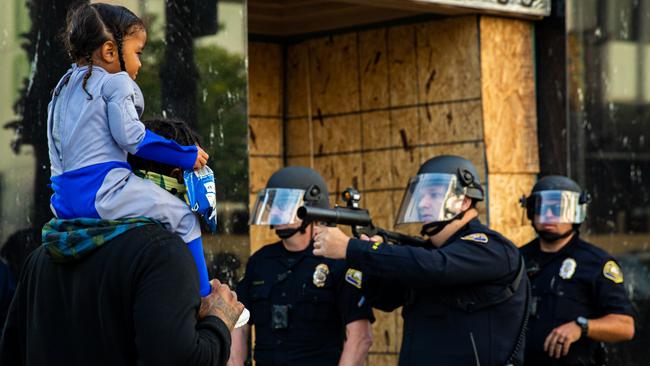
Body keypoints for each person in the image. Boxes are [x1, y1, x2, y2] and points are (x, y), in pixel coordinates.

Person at [0, 118, 245, 366]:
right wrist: (219, 321)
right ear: (178, 175)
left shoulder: (41, 258)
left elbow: (11, 354)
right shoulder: (163, 254)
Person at [47, 2, 212, 296]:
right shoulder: (117, 83)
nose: (141, 64)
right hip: (103, 191)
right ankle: (203, 296)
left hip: (61, 203)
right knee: (184, 218)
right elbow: (133, 138)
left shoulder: (60, 89)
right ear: (110, 51)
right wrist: (185, 156)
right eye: (138, 53)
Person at [312, 155, 529, 366]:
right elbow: (385, 299)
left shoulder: (491, 248)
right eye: (421, 195)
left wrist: (352, 248)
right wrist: (369, 256)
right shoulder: (427, 254)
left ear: (464, 201)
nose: (423, 203)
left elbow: (435, 267)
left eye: (434, 195)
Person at [228, 166, 374, 366]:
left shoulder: (337, 261)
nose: (275, 211)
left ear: (312, 206)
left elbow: (360, 337)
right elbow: (239, 323)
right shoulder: (260, 262)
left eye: (283, 203)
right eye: (272, 204)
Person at [519, 175, 634, 366]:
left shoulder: (595, 263)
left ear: (577, 212)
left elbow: (625, 327)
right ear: (531, 211)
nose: (549, 215)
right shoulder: (516, 259)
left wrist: (582, 327)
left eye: (558, 209)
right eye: (542, 207)